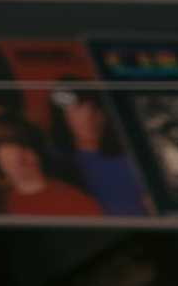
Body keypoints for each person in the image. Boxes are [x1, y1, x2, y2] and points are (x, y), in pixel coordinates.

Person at [53, 88, 151, 216]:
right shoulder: (62, 166)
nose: (88, 119)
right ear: (65, 118)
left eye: (94, 110)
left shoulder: (130, 158)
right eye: (78, 109)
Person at [0, 131, 101, 218]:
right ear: (0, 168)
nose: (17, 163)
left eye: (20, 159)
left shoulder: (71, 198)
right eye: (8, 162)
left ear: (35, 155)